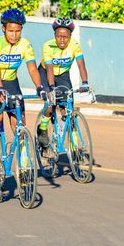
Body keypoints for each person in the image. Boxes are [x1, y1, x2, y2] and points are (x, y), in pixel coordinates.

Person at [0, 8, 42, 170]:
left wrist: (40, 87)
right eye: (10, 31)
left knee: (20, 123)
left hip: (12, 83)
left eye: (18, 31)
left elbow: (33, 69)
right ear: (3, 29)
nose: (14, 35)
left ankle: (25, 163)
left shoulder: (26, 45)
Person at [37, 17, 90, 149]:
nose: (62, 40)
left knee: (68, 110)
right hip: (45, 73)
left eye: (65, 37)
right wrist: (51, 89)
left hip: (63, 75)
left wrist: (85, 82)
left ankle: (75, 149)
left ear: (70, 36)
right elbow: (49, 69)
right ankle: (42, 129)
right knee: (51, 103)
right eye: (59, 36)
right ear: (54, 35)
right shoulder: (48, 45)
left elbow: (81, 65)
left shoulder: (75, 45)